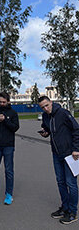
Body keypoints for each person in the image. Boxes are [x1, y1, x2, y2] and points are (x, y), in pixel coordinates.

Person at [39, 96, 79, 224]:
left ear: (51, 102)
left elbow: (76, 130)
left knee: (71, 183)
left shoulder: (63, 113)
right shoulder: (45, 116)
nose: (46, 109)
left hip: (70, 154)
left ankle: (73, 212)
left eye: (47, 105)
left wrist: (76, 149)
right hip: (56, 154)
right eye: (43, 107)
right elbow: (48, 128)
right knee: (60, 182)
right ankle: (65, 208)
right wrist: (45, 132)